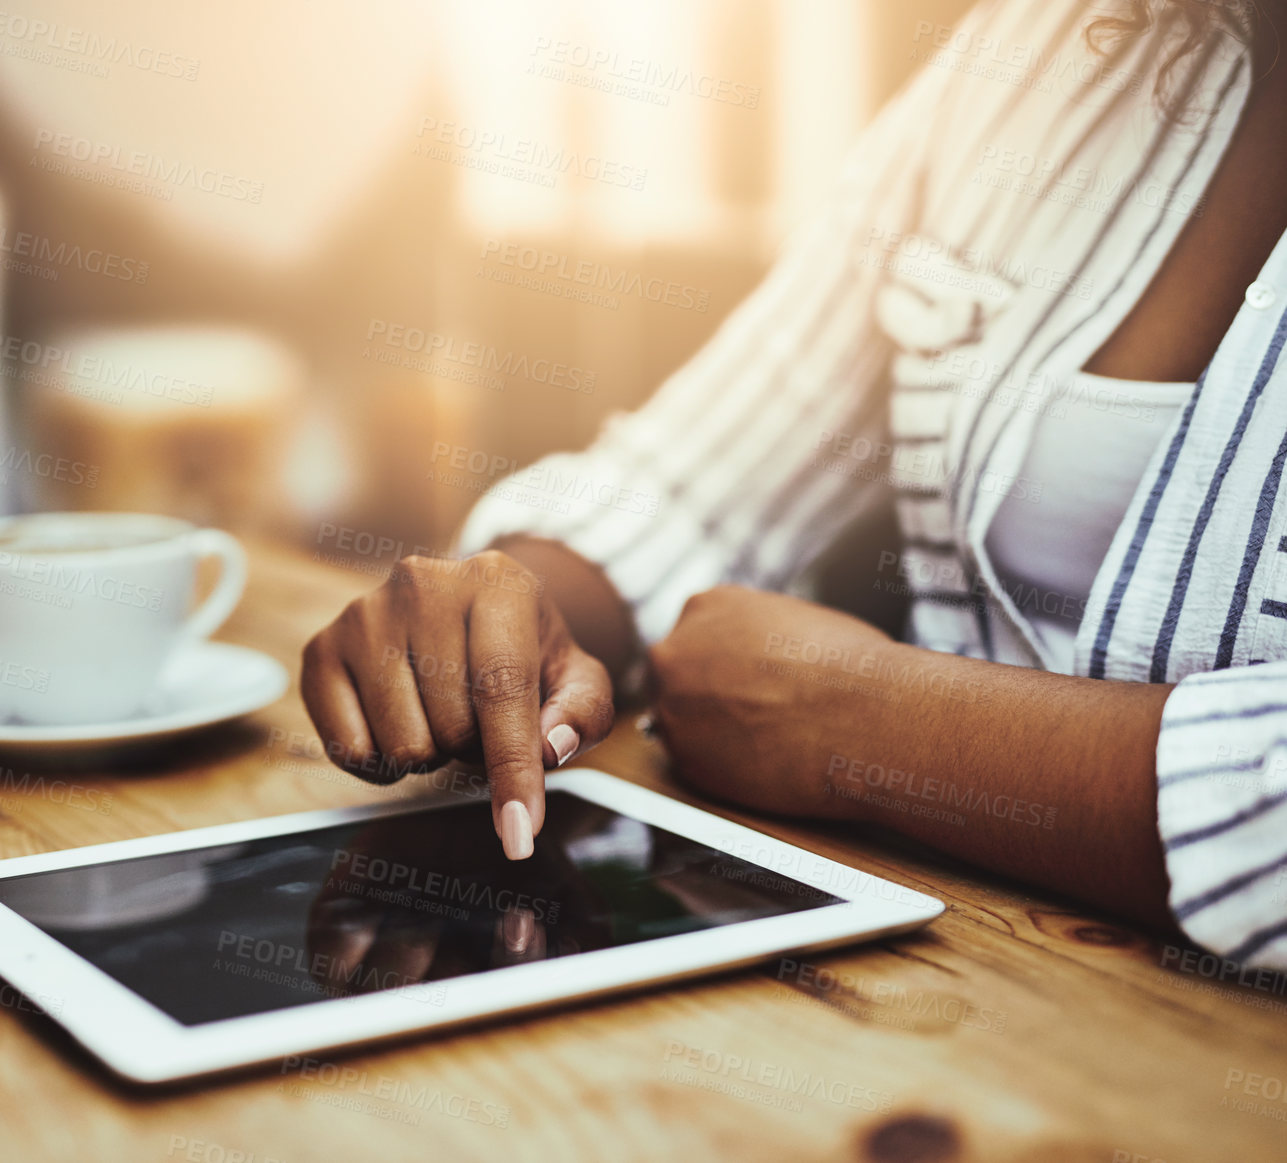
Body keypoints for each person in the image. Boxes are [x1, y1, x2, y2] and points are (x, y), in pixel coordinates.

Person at [300, 0, 1287, 969]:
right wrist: (518, 607)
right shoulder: (1030, 49)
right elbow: (693, 478)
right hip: (949, 971)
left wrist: (869, 722)